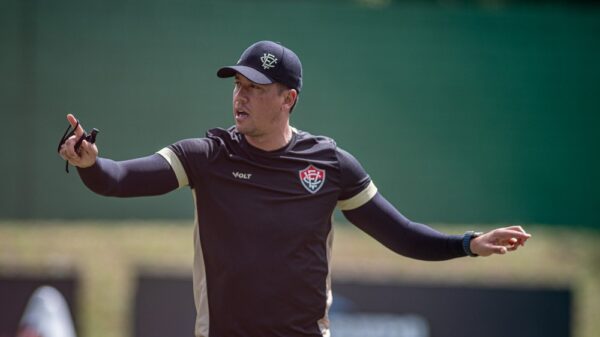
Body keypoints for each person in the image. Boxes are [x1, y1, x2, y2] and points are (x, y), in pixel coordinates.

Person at [58, 40, 531, 337]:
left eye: (256, 88)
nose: (240, 96)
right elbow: (118, 180)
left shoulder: (330, 165)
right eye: (237, 85)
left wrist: (468, 244)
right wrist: (89, 163)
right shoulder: (208, 155)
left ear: (289, 99)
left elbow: (401, 235)